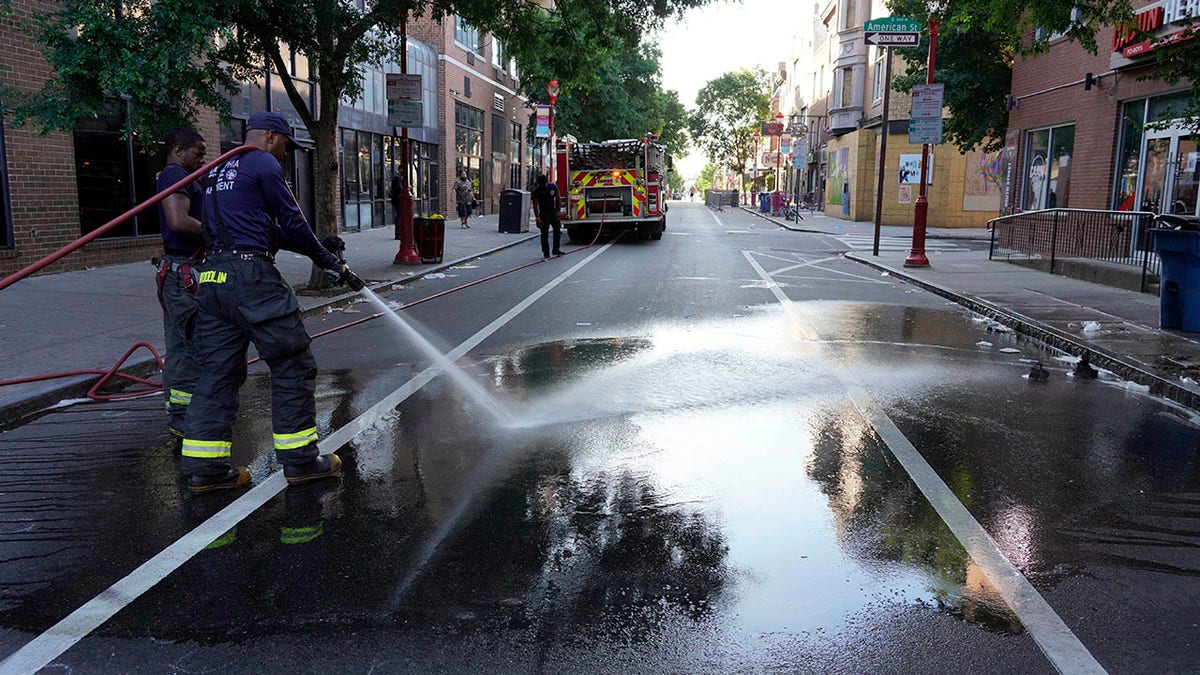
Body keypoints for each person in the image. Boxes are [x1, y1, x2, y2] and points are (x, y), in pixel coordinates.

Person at [180, 111, 363, 494]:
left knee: (218, 373)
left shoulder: (219, 168)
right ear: (270, 138)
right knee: (291, 364)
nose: (283, 155)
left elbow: (266, 231)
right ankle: (300, 461)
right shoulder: (262, 162)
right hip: (252, 280)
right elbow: (292, 221)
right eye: (284, 146)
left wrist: (317, 244)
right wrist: (328, 261)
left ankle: (205, 470)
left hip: (212, 280)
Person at [155, 128, 208, 438]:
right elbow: (177, 221)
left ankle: (179, 416)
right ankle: (184, 417)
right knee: (193, 345)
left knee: (179, 346)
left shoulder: (178, 176)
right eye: (197, 152)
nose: (202, 158)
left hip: (175, 272)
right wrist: (216, 232)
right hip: (182, 274)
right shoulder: (175, 175)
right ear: (178, 149)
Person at [530, 173, 562, 258]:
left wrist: (558, 212)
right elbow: (535, 205)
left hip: (553, 213)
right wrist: (537, 218)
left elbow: (558, 199)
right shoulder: (536, 191)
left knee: (557, 232)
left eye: (544, 184)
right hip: (544, 214)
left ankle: (556, 250)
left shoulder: (553, 187)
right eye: (541, 184)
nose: (543, 185)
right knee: (544, 234)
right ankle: (546, 253)